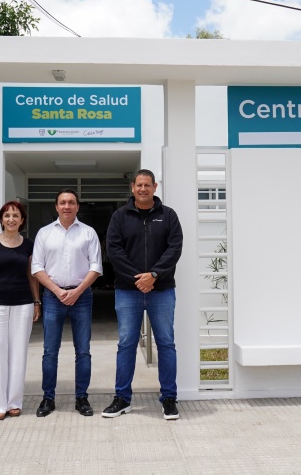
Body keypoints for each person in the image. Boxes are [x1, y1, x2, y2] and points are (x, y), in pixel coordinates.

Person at [102, 169, 183, 420]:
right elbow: (114, 251)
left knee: (166, 344)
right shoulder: (119, 217)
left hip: (162, 290)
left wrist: (155, 275)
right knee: (126, 344)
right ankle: (122, 399)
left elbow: (175, 248)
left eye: (147, 185)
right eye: (139, 185)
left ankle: (169, 399)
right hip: (128, 291)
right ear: (132, 187)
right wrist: (139, 279)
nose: (143, 189)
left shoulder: (168, 216)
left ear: (155, 187)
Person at [32, 189, 102, 417]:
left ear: (77, 207)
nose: (67, 206)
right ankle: (48, 398)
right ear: (56, 206)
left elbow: (96, 267)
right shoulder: (44, 234)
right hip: (53, 298)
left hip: (82, 297)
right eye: (62, 202)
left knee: (83, 351)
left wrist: (77, 291)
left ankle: (81, 398)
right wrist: (58, 291)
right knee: (50, 351)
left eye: (71, 202)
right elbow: (37, 268)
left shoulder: (88, 233)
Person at [0, 201, 40, 420]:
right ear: (1, 219)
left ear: (22, 220)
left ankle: (14, 402)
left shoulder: (28, 245)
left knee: (18, 353)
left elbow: (32, 276)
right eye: (7, 216)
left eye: (15, 215)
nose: (11, 219)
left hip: (22, 303)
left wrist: (36, 302)